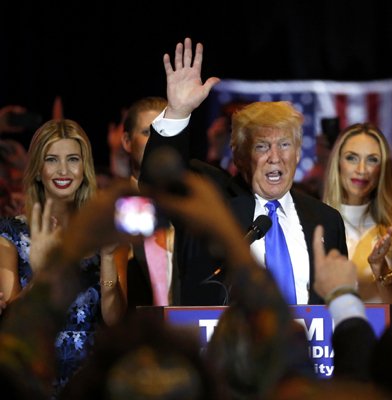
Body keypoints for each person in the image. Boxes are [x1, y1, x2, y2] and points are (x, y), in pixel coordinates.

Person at [139, 38, 348, 305]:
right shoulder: (208, 204)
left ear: (298, 153)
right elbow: (158, 188)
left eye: (285, 145)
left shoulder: (327, 221)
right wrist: (177, 112)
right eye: (262, 146)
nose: (275, 157)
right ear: (239, 157)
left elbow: (340, 305)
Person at [0, 119, 127, 397]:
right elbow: (11, 321)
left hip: (89, 382)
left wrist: (108, 258)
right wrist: (44, 272)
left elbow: (116, 320)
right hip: (32, 378)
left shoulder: (104, 231)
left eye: (73, 159)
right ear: (37, 170)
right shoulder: (9, 233)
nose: (63, 170)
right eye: (51, 159)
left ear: (84, 168)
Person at [322, 122, 392, 303]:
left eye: (372, 160)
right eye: (351, 158)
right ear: (337, 164)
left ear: (383, 170)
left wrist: (381, 269)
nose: (361, 170)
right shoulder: (309, 227)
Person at [117, 96, 177, 310]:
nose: (157, 142)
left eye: (165, 133)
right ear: (127, 141)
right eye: (147, 132)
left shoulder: (195, 210)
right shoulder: (110, 208)